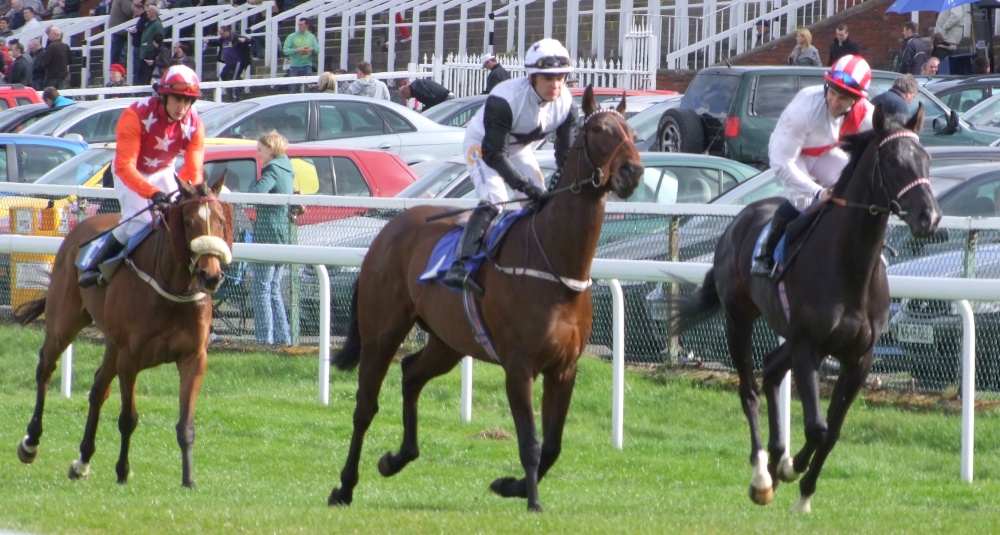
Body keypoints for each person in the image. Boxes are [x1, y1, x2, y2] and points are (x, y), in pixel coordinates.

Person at [442, 38, 577, 293]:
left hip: (519, 148)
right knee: (495, 196)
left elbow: (565, 156)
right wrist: (524, 185)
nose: (556, 84)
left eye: (560, 77)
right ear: (532, 77)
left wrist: (559, 185)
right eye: (548, 78)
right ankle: (459, 266)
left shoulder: (567, 105)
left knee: (540, 202)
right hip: (483, 146)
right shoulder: (505, 98)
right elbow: (494, 155)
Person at [78, 64, 206, 287]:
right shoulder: (135, 114)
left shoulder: (194, 124)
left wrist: (189, 194)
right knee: (140, 221)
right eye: (177, 99)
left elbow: (194, 169)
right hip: (129, 172)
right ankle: (95, 266)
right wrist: (153, 193)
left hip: (164, 171)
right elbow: (126, 165)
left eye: (187, 101)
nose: (182, 107)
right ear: (163, 96)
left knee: (184, 218)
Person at [751, 55, 875, 279]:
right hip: (790, 156)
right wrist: (818, 191)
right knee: (804, 201)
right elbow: (782, 163)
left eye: (844, 98)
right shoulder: (805, 108)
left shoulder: (866, 113)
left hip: (824, 151)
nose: (834, 102)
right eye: (832, 92)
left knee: (853, 187)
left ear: (857, 100)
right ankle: (765, 251)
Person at [249, 130, 294, 347]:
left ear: (270, 149)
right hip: (282, 235)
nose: (258, 154)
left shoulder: (272, 169)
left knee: (262, 287)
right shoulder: (287, 168)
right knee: (273, 288)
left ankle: (264, 340)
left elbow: (256, 194)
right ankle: (283, 339)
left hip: (267, 235)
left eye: (260, 150)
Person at [206, 23, 251, 101]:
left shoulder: (235, 37)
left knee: (232, 79)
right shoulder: (223, 39)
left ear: (227, 31)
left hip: (236, 62)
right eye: (220, 34)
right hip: (228, 63)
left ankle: (234, 97)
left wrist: (245, 40)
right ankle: (239, 86)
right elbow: (217, 42)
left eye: (222, 34)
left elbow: (249, 40)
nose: (221, 35)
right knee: (223, 75)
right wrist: (209, 41)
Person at [281, 17, 318, 91]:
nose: (299, 26)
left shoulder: (311, 37)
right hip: (295, 66)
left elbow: (317, 50)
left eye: (301, 25)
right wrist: (296, 50)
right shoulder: (292, 36)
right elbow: (285, 50)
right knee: (294, 89)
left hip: (307, 66)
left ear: (306, 26)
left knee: (309, 88)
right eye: (299, 25)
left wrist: (311, 49)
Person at [137, 4, 163, 87]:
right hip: (144, 54)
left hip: (150, 55)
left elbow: (159, 40)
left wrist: (153, 54)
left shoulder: (157, 24)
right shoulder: (148, 23)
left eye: (148, 11)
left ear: (153, 12)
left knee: (147, 78)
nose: (146, 12)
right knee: (141, 77)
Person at [108, 0, 133, 66]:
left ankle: (114, 71)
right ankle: (116, 71)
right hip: (120, 31)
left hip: (117, 30)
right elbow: (130, 11)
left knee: (116, 53)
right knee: (118, 54)